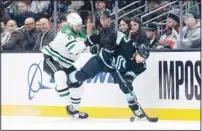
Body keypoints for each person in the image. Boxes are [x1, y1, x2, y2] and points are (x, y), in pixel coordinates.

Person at [68, 31, 150, 120]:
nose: (142, 60)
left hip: (116, 69)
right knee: (81, 76)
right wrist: (109, 49)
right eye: (141, 57)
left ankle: (136, 110)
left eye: (144, 59)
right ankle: (68, 79)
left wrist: (128, 79)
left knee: (127, 86)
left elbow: (131, 75)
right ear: (137, 51)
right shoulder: (129, 45)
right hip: (102, 60)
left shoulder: (142, 66)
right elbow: (116, 34)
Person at [40, 13, 88, 119]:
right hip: (52, 59)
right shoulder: (65, 31)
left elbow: (85, 47)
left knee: (78, 81)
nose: (78, 27)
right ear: (70, 24)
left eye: (80, 25)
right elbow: (74, 49)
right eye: (76, 25)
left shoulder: (81, 34)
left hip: (66, 63)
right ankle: (69, 106)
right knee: (60, 75)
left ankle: (75, 111)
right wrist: (86, 43)